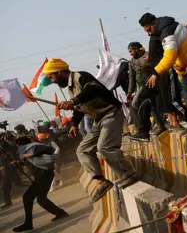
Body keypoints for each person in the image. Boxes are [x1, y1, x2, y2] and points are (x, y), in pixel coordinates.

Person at [43, 58, 138, 203]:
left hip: (111, 113)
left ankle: (128, 174)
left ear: (60, 71)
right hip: (98, 119)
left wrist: (72, 102)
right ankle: (100, 181)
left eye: (52, 76)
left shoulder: (81, 76)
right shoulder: (70, 88)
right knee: (82, 150)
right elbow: (80, 107)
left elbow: (93, 89)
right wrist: (74, 123)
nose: (52, 81)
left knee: (104, 147)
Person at [13, 136, 68, 232]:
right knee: (37, 199)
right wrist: (19, 163)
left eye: (18, 145)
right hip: (42, 175)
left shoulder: (32, 147)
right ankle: (60, 213)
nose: (17, 148)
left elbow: (47, 149)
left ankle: (28, 224)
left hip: (44, 175)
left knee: (32, 198)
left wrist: (30, 154)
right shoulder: (28, 149)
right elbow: (34, 162)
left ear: (21, 144)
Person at [126, 42, 166, 141]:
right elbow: (132, 78)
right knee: (151, 107)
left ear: (137, 49)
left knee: (135, 104)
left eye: (131, 51)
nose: (130, 53)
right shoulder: (131, 62)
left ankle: (142, 131)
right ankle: (161, 127)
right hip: (141, 86)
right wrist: (130, 91)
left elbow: (157, 66)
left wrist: (148, 64)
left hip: (152, 84)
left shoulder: (148, 56)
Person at [0, 132, 25, 208]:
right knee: (7, 185)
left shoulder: (13, 147)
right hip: (6, 168)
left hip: (11, 167)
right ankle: (7, 201)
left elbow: (18, 156)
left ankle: (36, 190)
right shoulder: (4, 146)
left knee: (17, 184)